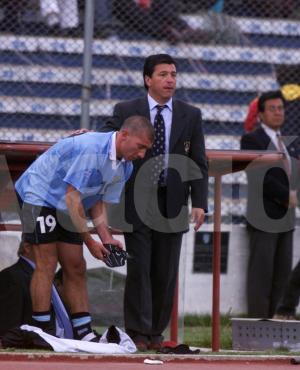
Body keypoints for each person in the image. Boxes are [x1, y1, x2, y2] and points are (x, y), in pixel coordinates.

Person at [101, 53, 208, 350]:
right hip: (137, 198)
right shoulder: (127, 109)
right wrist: (89, 135)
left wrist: (200, 201)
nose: (170, 79)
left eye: (173, 74)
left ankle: (155, 333)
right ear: (148, 79)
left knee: (165, 269)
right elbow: (109, 136)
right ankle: (137, 331)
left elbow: (198, 160)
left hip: (172, 201)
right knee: (140, 267)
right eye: (163, 74)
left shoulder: (191, 114)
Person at [14, 116, 154, 341]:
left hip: (67, 203)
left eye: (146, 149)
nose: (142, 155)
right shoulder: (92, 150)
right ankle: (41, 331)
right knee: (47, 263)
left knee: (76, 265)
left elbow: (96, 202)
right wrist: (90, 241)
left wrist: (106, 239)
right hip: (38, 195)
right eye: (140, 147)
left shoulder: (125, 167)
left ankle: (83, 332)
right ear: (124, 135)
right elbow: (73, 199)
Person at [241, 90, 300, 318]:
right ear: (261, 114)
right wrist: (287, 196)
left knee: (283, 273)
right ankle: (258, 323)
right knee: (261, 273)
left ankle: (279, 322)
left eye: (281, 108)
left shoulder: (290, 142)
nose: (278, 112)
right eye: (272, 109)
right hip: (263, 215)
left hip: (286, 217)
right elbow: (259, 176)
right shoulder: (252, 139)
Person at [0, 240, 73, 339]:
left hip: (68, 347)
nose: (57, 249)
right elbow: (9, 328)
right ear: (27, 247)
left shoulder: (48, 277)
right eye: (51, 244)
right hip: (40, 350)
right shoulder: (11, 277)